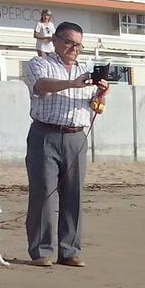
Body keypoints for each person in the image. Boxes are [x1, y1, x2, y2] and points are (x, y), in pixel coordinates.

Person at [22, 21, 109, 268]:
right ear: (56, 41)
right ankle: (41, 251)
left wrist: (101, 94)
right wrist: (72, 83)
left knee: (75, 196)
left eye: (79, 45)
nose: (75, 49)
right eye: (70, 42)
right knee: (44, 195)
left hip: (76, 137)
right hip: (45, 135)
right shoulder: (40, 63)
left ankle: (69, 251)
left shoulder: (86, 70)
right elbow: (41, 87)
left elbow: (95, 108)